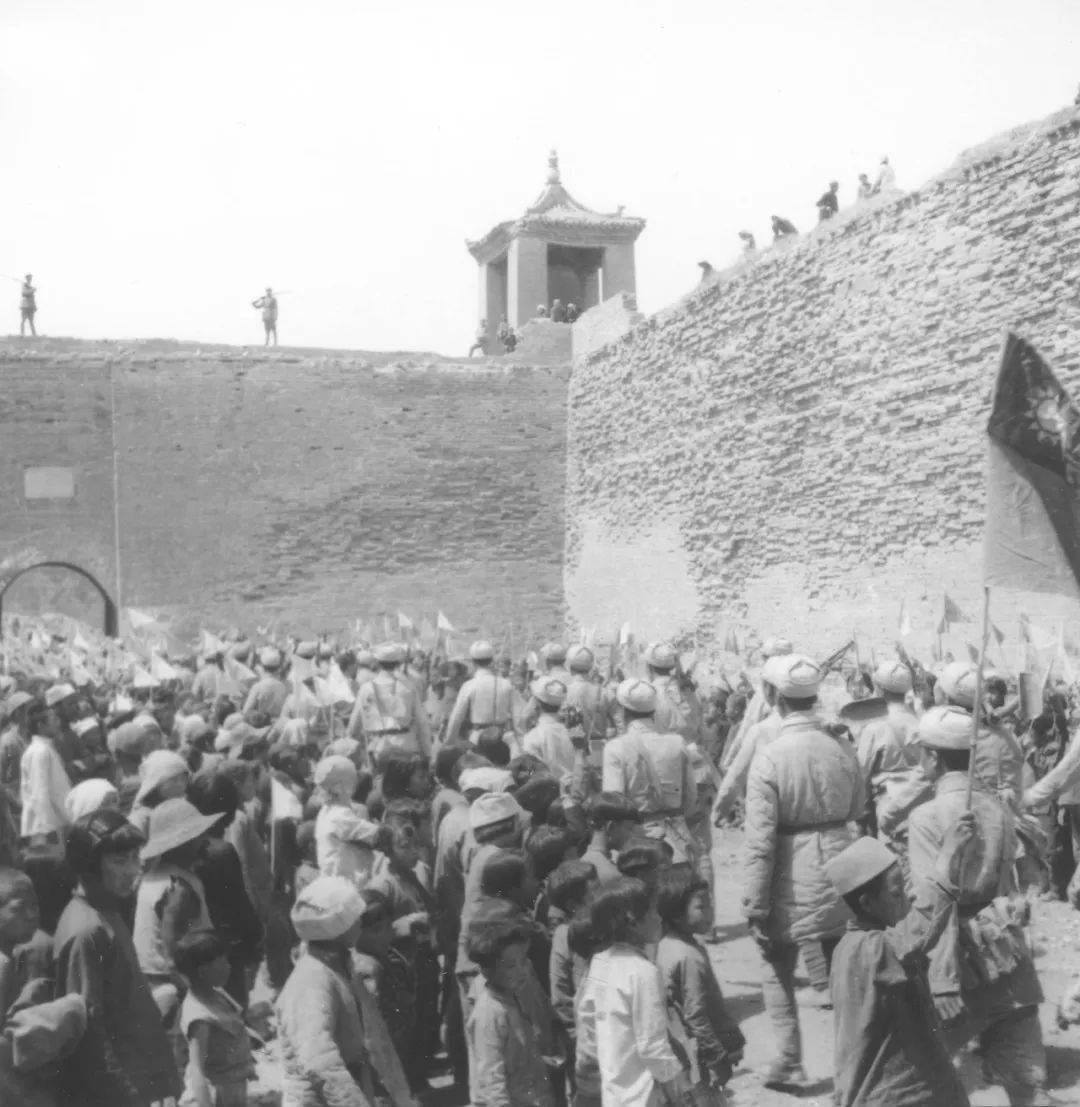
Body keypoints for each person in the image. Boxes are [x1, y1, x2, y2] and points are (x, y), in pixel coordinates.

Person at [906, 706, 1047, 1106]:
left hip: (959, 960)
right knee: (1024, 1081)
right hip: (1007, 951)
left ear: (933, 757)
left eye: (922, 753)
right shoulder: (999, 807)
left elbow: (936, 905)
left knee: (935, 1078)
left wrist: (942, 980)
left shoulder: (926, 817)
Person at [741, 653, 863, 1091]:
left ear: (773, 696)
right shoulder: (841, 745)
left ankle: (790, 1059)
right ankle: (856, 1068)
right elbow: (858, 806)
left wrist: (754, 904)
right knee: (843, 972)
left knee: (776, 962)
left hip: (792, 871)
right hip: (841, 863)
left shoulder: (770, 756)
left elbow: (760, 842)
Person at [824, 824, 974, 1107]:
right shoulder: (871, 949)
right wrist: (949, 855)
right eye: (896, 894)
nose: (907, 900)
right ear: (867, 903)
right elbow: (920, 929)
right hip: (893, 1096)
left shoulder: (850, 946)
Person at [54, 809, 181, 1107]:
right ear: (89, 864)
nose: (134, 870)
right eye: (120, 861)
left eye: (136, 858)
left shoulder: (108, 911)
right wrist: (128, 1096)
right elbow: (89, 1034)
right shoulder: (87, 930)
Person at [276, 875, 417, 1107]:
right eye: (354, 917)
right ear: (338, 927)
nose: (360, 922)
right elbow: (319, 1061)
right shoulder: (312, 981)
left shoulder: (341, 966)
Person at [582, 876, 694, 1107]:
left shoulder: (600, 962)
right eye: (652, 912)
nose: (659, 917)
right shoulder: (642, 972)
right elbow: (653, 1047)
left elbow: (588, 1024)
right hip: (645, 1096)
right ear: (632, 921)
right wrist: (680, 1094)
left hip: (615, 1093)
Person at [656, 869, 745, 1102]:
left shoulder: (667, 944)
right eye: (701, 907)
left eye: (710, 904)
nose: (710, 912)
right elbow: (696, 1015)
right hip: (699, 1057)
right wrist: (717, 1057)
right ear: (677, 914)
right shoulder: (688, 956)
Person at [603, 678, 698, 868]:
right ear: (654, 711)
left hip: (637, 842)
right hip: (677, 838)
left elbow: (613, 806)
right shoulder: (677, 742)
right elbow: (691, 797)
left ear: (623, 711)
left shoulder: (615, 747)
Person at [466, 913, 558, 1107]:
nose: (521, 970)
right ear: (488, 971)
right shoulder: (489, 1013)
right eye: (510, 966)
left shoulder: (513, 999)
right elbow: (492, 1081)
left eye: (524, 961)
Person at [174, 928, 254, 1107]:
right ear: (203, 971)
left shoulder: (218, 994)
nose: (229, 966)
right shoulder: (199, 1016)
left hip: (232, 1089)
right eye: (222, 962)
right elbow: (197, 1070)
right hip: (213, 1096)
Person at [857, 660, 920, 829]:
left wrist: (862, 811)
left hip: (890, 804)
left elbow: (863, 772)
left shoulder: (874, 726)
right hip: (921, 798)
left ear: (880, 688)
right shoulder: (920, 720)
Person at [313, 754, 383, 890]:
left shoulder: (326, 810)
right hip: (344, 887)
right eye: (352, 779)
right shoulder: (340, 815)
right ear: (342, 785)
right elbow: (376, 834)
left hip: (333, 881)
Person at [352, 643, 432, 762]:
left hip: (377, 749)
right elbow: (422, 722)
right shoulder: (408, 688)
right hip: (406, 748)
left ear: (377, 663)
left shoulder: (366, 689)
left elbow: (354, 724)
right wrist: (427, 753)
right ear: (398, 663)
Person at [20, 698, 72, 853]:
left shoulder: (45, 748)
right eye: (53, 719)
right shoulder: (40, 751)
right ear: (40, 725)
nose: (58, 723)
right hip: (45, 830)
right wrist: (49, 829)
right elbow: (39, 793)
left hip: (55, 824)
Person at [446, 640, 515, 746]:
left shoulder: (469, 685)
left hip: (478, 740)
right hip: (503, 740)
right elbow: (518, 715)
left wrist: (449, 742)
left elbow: (457, 717)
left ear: (473, 662)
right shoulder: (506, 684)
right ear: (492, 661)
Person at [522, 677, 575, 781]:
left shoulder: (533, 737)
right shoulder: (574, 733)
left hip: (548, 788)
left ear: (537, 703)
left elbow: (531, 773)